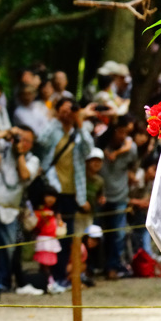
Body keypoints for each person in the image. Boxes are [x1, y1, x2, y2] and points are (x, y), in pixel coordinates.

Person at [36, 98, 94, 288]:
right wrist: (56, 120)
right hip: (53, 190)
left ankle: (61, 276)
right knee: (51, 236)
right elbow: (42, 142)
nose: (69, 113)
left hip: (71, 191)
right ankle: (49, 277)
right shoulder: (53, 128)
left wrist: (80, 123)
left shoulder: (78, 132)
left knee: (67, 236)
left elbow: (88, 149)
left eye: (72, 110)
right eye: (65, 110)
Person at [0, 126, 40, 295]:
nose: (21, 143)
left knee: (8, 249)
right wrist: (4, 133)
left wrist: (19, 153)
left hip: (12, 211)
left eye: (26, 141)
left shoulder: (32, 159)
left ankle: (3, 282)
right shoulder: (3, 148)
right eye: (19, 139)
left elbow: (24, 175)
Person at [96, 117, 137, 280]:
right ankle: (97, 266)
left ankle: (113, 267)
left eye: (126, 133)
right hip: (101, 196)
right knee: (98, 234)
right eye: (121, 131)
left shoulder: (131, 149)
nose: (123, 136)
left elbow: (133, 166)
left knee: (118, 235)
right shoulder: (99, 146)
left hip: (120, 195)